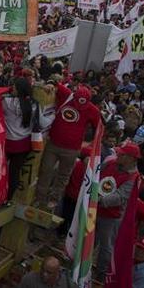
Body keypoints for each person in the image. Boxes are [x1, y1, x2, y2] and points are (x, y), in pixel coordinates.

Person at [36, 84, 100, 213]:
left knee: (63, 175)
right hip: (53, 144)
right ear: (74, 96)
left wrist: (90, 143)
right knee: (45, 170)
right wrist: (49, 84)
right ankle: (40, 197)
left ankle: (54, 198)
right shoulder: (67, 95)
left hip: (71, 149)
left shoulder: (92, 110)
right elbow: (55, 83)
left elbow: (99, 126)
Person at [96, 142, 142, 279]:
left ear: (131, 158)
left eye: (122, 154)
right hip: (95, 209)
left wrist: (98, 200)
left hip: (111, 217)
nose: (118, 155)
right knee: (89, 238)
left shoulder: (134, 177)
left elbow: (120, 197)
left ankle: (101, 274)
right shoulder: (110, 162)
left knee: (106, 246)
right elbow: (96, 175)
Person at [3, 78, 38, 200]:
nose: (12, 88)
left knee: (0, 171)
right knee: (14, 173)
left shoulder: (7, 102)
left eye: (14, 86)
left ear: (18, 89)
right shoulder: (33, 104)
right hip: (24, 144)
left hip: (7, 143)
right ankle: (8, 198)